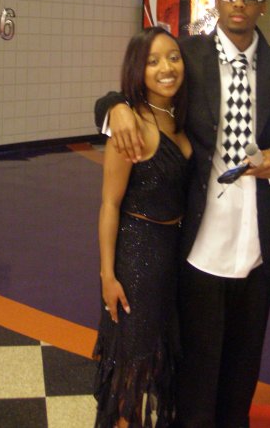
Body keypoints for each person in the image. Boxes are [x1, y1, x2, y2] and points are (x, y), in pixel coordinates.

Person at [95, 0, 270, 428]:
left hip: (257, 239)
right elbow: (141, 82)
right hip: (199, 239)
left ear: (263, 4)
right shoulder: (187, 56)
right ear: (215, 0)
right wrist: (115, 107)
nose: (239, 3)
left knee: (243, 367)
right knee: (197, 366)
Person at [93, 26, 192, 428]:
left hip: (175, 254)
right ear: (138, 69)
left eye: (173, 57)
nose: (166, 68)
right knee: (130, 365)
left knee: (160, 358)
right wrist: (107, 276)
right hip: (138, 258)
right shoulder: (130, 124)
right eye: (153, 61)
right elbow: (109, 204)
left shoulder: (181, 115)